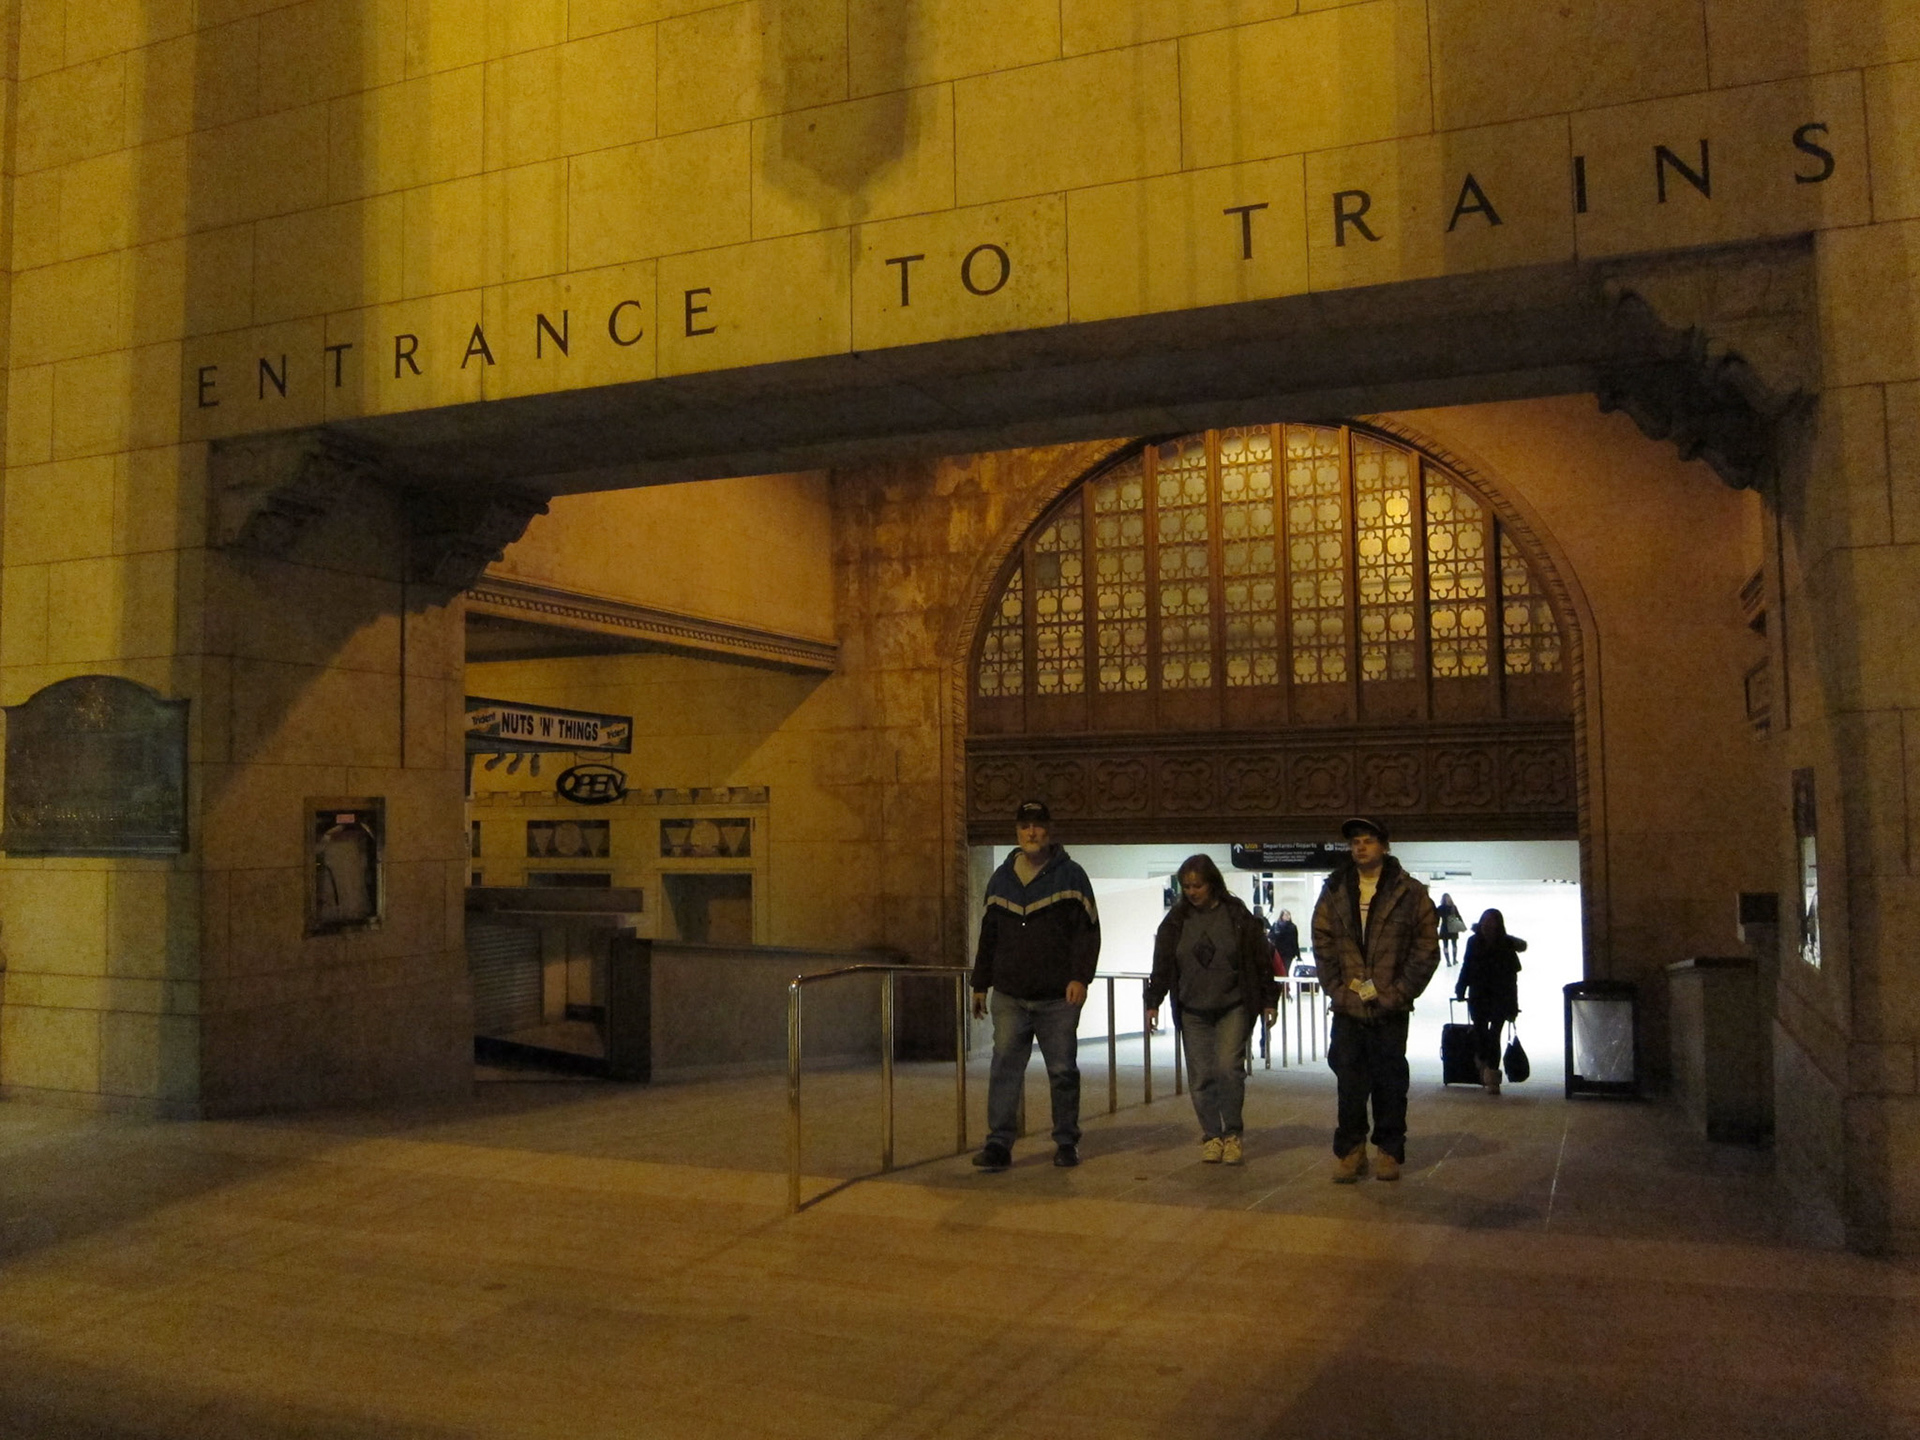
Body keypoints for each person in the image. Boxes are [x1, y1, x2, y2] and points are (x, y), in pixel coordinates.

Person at [969, 799, 1100, 1171]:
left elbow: (1087, 934)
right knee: (1004, 1068)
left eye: (1038, 825)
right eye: (1025, 826)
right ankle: (998, 1144)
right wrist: (981, 984)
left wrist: (1080, 977)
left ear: (1049, 830)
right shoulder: (1000, 879)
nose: (1031, 832)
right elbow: (989, 936)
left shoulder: (1072, 876)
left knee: (1061, 1070)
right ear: (1017, 831)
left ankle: (1065, 1142)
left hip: (1057, 997)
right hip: (1010, 995)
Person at [1312, 817, 1439, 1183]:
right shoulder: (1335, 889)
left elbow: (1425, 948)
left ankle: (1388, 1150)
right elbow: (1322, 939)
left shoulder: (1409, 892)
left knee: (1390, 1081)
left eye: (1368, 841)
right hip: (1348, 1006)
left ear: (1384, 845)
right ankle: (1351, 1151)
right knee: (1348, 1083)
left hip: (1390, 1006)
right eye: (1355, 842)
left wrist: (1397, 994)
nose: (1360, 847)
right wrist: (1336, 988)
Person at [1144, 857, 1280, 1165]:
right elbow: (1162, 965)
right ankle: (1211, 1135)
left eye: (1198, 885)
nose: (1192, 892)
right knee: (1201, 1075)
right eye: (1187, 886)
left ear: (1213, 883)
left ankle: (1232, 1133)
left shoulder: (1237, 916)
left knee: (1228, 1068)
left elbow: (1260, 960)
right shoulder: (1175, 922)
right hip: (1193, 1009)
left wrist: (1270, 999)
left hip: (1233, 1005)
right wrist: (1153, 1002)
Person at [1454, 908, 1527, 1094]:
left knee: (1493, 1036)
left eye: (1492, 922)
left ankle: (1491, 1075)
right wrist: (1460, 987)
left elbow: (1511, 980)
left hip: (1497, 998)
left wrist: (1513, 1005)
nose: (1489, 925)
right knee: (1482, 1034)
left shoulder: (1504, 945)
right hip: (1481, 997)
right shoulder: (1477, 942)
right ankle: (1486, 1070)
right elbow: (1467, 966)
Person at [1269, 908, 1302, 973]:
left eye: (1288, 915)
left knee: (1285, 970)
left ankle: (1285, 982)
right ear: (1282, 916)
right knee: (1278, 970)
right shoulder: (1276, 925)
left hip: (1288, 953)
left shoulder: (1292, 927)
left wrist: (1298, 954)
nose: (1287, 916)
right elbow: (1271, 936)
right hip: (1278, 951)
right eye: (1286, 915)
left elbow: (1295, 941)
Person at [1436, 892, 1465, 966]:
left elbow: (1437, 918)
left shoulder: (1440, 907)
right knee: (1454, 944)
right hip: (1453, 927)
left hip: (1444, 928)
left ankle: (1448, 962)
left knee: (1445, 945)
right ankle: (1454, 959)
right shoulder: (1453, 907)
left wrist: (1435, 925)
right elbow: (1458, 916)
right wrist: (1462, 925)